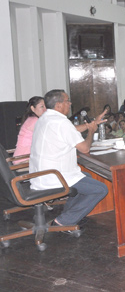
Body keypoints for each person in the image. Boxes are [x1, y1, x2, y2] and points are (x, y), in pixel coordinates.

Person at [29, 89, 108, 228]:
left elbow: (72, 131)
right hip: (54, 176)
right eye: (67, 101)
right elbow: (85, 148)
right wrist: (91, 131)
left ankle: (69, 215)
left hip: (41, 174)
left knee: (86, 176)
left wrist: (93, 122)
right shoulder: (61, 123)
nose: (70, 103)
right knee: (100, 189)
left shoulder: (45, 118)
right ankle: (63, 222)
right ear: (58, 105)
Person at [13, 96, 47, 163]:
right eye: (42, 107)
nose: (45, 109)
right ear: (32, 108)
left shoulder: (31, 119)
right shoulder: (34, 121)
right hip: (24, 160)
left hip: (24, 158)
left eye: (46, 106)